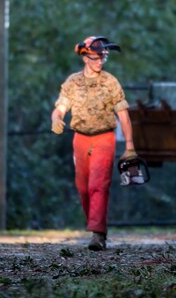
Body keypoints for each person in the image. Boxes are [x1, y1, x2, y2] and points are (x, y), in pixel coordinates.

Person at [50, 36, 136, 251]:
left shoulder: (110, 82)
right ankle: (96, 227)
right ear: (85, 57)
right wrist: (56, 118)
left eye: (103, 58)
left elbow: (124, 115)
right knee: (83, 187)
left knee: (98, 184)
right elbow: (61, 106)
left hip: (104, 138)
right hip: (80, 138)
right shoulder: (72, 82)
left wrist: (130, 146)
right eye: (96, 57)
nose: (100, 62)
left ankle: (97, 234)